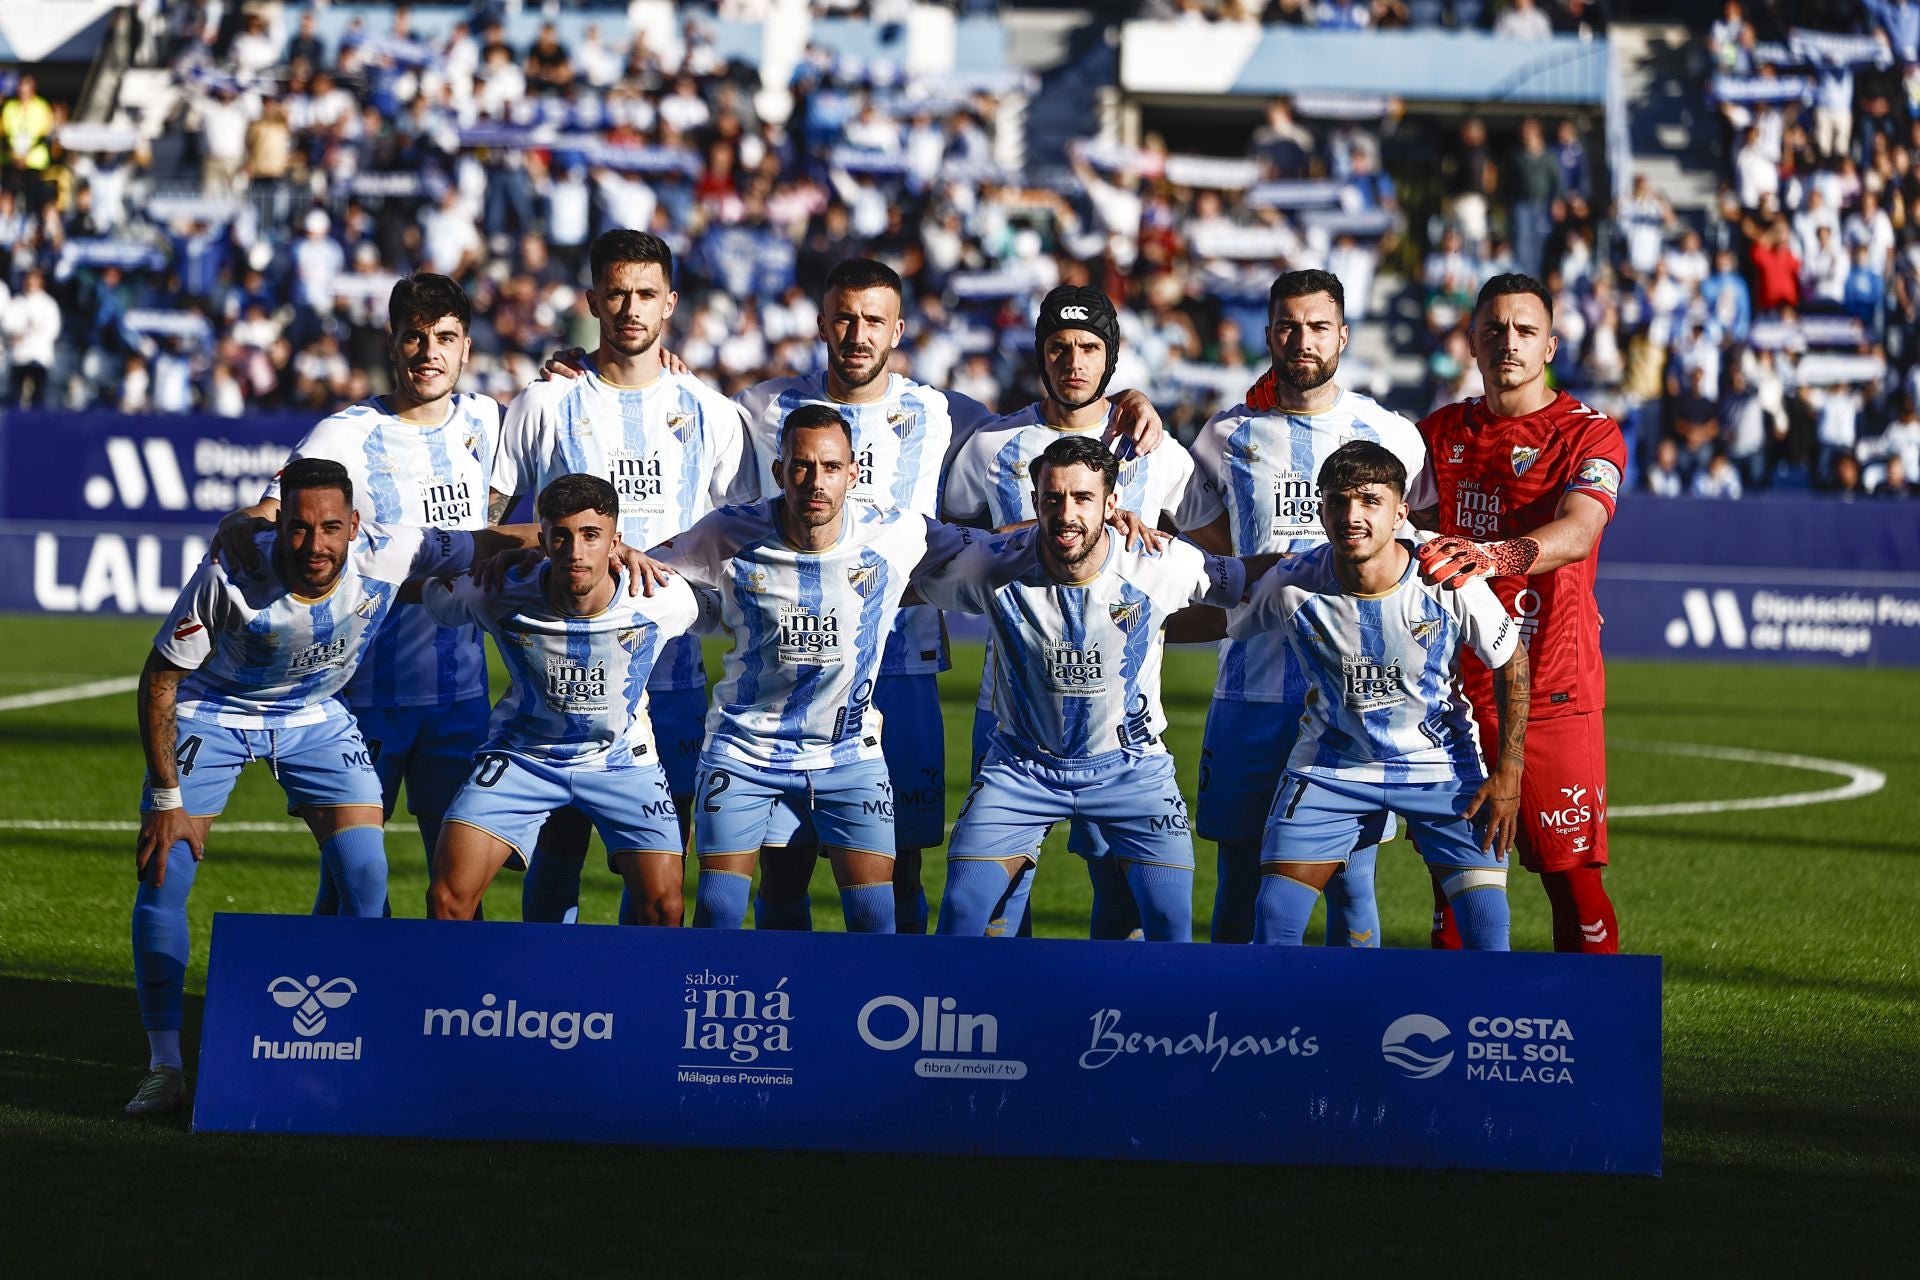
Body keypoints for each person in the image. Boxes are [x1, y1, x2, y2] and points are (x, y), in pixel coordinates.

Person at [125, 458, 531, 1116]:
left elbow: (492, 541)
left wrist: (595, 540)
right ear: (277, 522)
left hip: (314, 717)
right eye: (299, 528)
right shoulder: (229, 574)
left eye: (331, 528)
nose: (315, 545)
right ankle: (164, 1066)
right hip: (216, 712)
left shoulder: (392, 549)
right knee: (163, 869)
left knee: (367, 879)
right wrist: (166, 800)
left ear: (356, 527)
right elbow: (161, 678)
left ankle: (355, 1043)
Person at [212, 274, 507, 914]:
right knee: (349, 886)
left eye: (445, 338)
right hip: (367, 698)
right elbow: (270, 515)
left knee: (460, 892)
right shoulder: (343, 433)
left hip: (460, 700)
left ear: (465, 350)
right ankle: (340, 1008)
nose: (429, 351)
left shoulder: (489, 420)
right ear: (393, 344)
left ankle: (451, 1012)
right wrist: (242, 520)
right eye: (415, 337)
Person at [492, 230, 751, 925]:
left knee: (661, 867)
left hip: (675, 673)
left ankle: (639, 1011)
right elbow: (482, 527)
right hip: (558, 677)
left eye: (645, 294)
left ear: (670, 304)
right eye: (616, 293)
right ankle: (548, 1002)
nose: (630, 308)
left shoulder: (713, 413)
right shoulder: (544, 403)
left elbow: (749, 533)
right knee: (560, 846)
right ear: (592, 302)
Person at [917, 435, 1258, 943]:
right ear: (1034, 503)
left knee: (1170, 929)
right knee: (963, 914)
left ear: (1112, 504)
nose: (1066, 512)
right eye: (1052, 499)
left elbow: (1251, 581)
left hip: (1133, 769)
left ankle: (1154, 1024)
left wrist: (1360, 562)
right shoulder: (992, 565)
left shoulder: (1158, 560)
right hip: (1021, 768)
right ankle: (969, 1020)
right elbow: (892, 574)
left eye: (1082, 499)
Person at [1196, 442, 1528, 950]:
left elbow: (1512, 661)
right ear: (1320, 508)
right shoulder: (1292, 584)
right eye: (1338, 501)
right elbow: (1212, 619)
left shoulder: (1447, 576)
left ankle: (1488, 1029)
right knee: (1275, 916)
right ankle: (1280, 1029)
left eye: (1370, 501)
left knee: (1487, 924)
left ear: (1400, 513)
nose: (1352, 516)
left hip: (1439, 765)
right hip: (1331, 769)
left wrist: (1509, 771)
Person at [1187, 269, 1433, 946]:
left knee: (1352, 880)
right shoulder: (1225, 435)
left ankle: (1353, 1038)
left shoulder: (1390, 434)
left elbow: (1416, 551)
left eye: (1319, 326)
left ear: (1343, 336)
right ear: (1268, 335)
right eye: (1289, 326)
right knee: (1237, 874)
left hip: (1354, 699)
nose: (1304, 340)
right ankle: (1233, 1026)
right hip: (1251, 687)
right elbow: (1200, 540)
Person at [943, 285, 1193, 939]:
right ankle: (1002, 1032)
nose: (1073, 362)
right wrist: (1051, 526)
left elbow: (1213, 554)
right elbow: (950, 547)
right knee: (1001, 903)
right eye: (1058, 347)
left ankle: (1109, 1032)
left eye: (1089, 348)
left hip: (1121, 719)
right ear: (1040, 354)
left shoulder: (1157, 451)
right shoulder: (989, 447)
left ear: (1111, 357)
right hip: (1013, 710)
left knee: (1124, 897)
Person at [645, 405, 944, 934]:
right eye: (801, 466)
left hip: (848, 753)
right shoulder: (728, 532)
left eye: (831, 467)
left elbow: (997, 548)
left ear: (854, 473)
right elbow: (637, 565)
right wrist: (527, 547)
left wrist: (1092, 523)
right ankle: (741, 1009)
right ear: (779, 472)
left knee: (877, 919)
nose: (816, 481)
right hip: (743, 749)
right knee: (717, 912)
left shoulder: (896, 531)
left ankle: (864, 1012)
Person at [1415, 273, 1627, 954]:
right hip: (1457, 696)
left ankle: (1593, 1037)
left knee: (1572, 881)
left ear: (1551, 346)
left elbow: (1581, 530)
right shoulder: (1437, 433)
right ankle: (1451, 1044)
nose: (1509, 342)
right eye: (1494, 329)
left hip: (1553, 688)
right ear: (1472, 343)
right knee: (1457, 886)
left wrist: (1494, 557)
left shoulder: (1589, 435)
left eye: (1525, 331)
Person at [414, 475, 703, 925]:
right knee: (447, 900)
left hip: (622, 761)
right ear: (543, 539)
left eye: (592, 536)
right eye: (561, 536)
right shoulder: (497, 588)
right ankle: (461, 995)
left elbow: (717, 587)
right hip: (524, 756)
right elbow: (416, 585)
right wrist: (494, 552)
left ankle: (639, 995)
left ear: (616, 542)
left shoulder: (662, 598)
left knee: (665, 908)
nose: (576, 551)